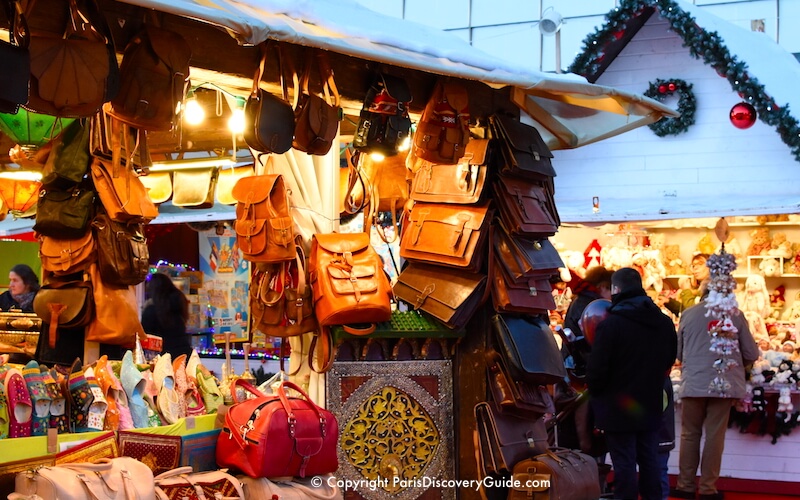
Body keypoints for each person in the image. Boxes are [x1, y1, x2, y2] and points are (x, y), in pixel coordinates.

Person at [586, 267, 677, 500]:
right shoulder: (664, 323)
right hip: (650, 402)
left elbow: (597, 371)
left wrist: (599, 396)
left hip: (617, 405)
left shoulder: (611, 325)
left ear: (616, 289)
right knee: (650, 459)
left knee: (624, 461)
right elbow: (669, 360)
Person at [672, 282, 759, 500]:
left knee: (689, 435)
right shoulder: (735, 316)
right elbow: (751, 352)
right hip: (723, 384)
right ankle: (709, 489)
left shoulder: (689, 314)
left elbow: (679, 353)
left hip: (693, 383)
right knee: (714, 436)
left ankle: (685, 486)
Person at [558, 266, 614, 456]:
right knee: (584, 421)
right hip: (581, 370)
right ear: (603, 286)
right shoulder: (592, 305)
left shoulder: (582, 300)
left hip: (574, 366)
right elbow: (590, 340)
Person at [141, 272, 192, 359]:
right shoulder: (178, 304)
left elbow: (144, 335)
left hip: (163, 357)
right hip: (184, 353)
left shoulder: (151, 310)